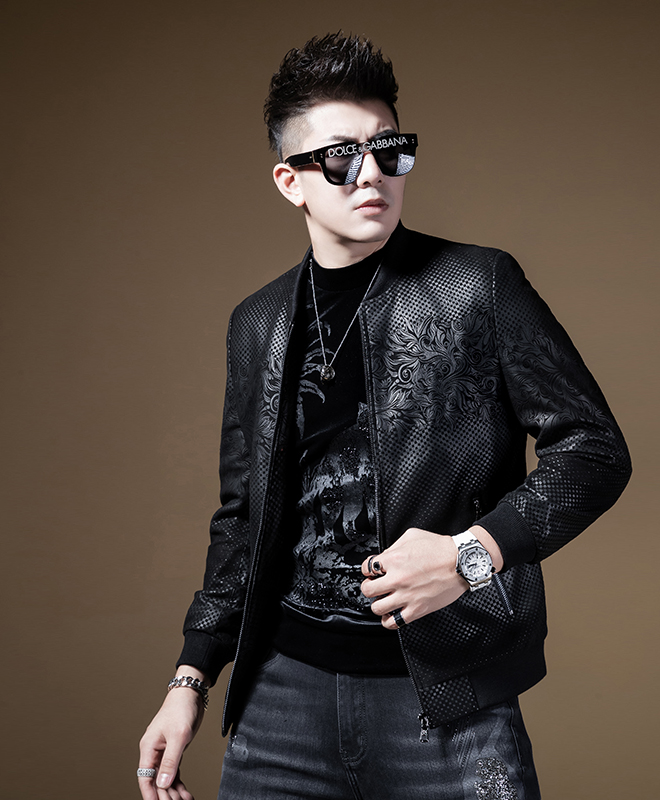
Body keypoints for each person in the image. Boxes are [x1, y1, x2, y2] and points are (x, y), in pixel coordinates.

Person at [138, 32, 631, 800]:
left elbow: (594, 449)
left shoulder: (477, 286)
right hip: (280, 703)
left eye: (389, 149)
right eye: (340, 156)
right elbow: (242, 519)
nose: (371, 173)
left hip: (447, 698)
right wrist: (190, 678)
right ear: (290, 181)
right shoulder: (257, 324)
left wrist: (470, 555)